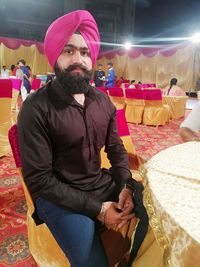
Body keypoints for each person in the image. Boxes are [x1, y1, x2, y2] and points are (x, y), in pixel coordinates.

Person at [17, 10, 146, 267]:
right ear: (55, 56)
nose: (78, 59)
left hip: (98, 182)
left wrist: (126, 186)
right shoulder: (36, 107)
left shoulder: (103, 102)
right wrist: (99, 210)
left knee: (154, 210)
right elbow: (40, 179)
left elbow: (116, 148)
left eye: (84, 52)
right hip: (58, 197)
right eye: (68, 50)